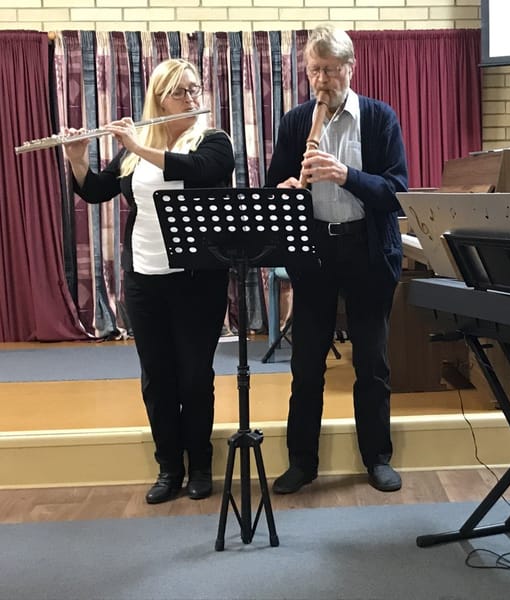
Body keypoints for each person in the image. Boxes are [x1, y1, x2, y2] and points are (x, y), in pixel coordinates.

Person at [63, 58, 235, 504]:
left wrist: (138, 147)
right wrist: (78, 159)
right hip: (145, 277)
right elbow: (98, 189)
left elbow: (196, 170)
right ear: (159, 98)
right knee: (157, 378)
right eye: (181, 92)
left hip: (198, 279)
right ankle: (168, 468)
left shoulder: (213, 141)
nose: (193, 99)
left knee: (195, 377)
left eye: (196, 90)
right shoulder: (136, 150)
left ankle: (200, 465)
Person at [265, 24, 409, 494]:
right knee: (306, 365)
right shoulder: (295, 122)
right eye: (313, 71)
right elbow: (273, 189)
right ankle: (302, 462)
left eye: (329, 70)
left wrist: (347, 175)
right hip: (315, 252)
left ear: (350, 67)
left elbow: (398, 193)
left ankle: (377, 457)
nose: (321, 81)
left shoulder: (380, 118)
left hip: (367, 252)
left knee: (372, 362)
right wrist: (285, 192)